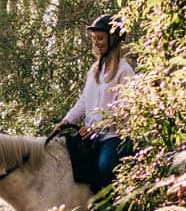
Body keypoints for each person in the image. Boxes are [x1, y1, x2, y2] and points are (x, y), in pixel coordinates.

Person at [53, 13, 135, 190]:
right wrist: (66, 121)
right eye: (94, 39)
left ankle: (112, 210)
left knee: (105, 167)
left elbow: (123, 109)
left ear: (112, 39)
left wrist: (96, 128)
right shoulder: (94, 70)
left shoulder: (124, 70)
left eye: (100, 38)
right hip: (89, 136)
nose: (96, 42)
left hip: (113, 136)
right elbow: (84, 101)